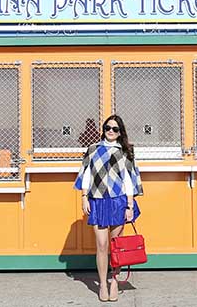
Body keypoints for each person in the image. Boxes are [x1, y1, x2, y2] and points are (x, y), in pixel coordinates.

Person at [74, 114, 142, 302]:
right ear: (103, 130)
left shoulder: (126, 151)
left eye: (115, 129)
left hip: (119, 201)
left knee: (116, 245)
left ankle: (114, 280)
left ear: (120, 132)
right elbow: (86, 174)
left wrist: (129, 205)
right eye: (107, 128)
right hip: (97, 200)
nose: (111, 132)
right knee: (102, 245)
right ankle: (102, 284)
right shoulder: (93, 149)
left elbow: (129, 180)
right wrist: (84, 197)